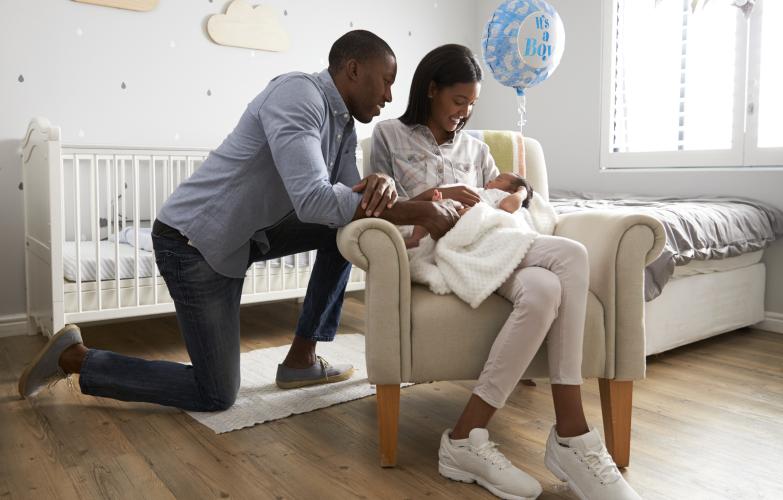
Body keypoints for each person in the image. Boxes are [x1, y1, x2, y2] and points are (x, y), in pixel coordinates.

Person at [18, 30, 460, 412]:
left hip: (242, 240)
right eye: (386, 82)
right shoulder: (298, 95)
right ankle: (75, 358)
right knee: (215, 394)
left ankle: (301, 359)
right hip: (192, 244)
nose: (388, 96)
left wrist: (399, 191)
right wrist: (416, 209)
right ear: (352, 69)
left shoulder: (343, 125)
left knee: (346, 231)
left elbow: (353, 205)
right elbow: (312, 201)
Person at [370, 44, 641, 500]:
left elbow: (506, 202)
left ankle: (465, 436)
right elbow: (383, 210)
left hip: (489, 245)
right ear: (431, 90)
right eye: (459, 101)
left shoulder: (477, 150)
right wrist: (439, 195)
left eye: (472, 104)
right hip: (438, 250)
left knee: (544, 290)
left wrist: (515, 193)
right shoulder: (389, 136)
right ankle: (572, 434)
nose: (465, 112)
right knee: (570, 256)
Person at [404, 172, 532, 248]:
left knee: (463, 211)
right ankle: (416, 238)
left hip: (472, 215)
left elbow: (509, 206)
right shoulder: (480, 191)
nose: (491, 180)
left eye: (498, 179)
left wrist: (522, 192)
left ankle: (443, 210)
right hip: (455, 208)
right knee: (430, 209)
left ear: (511, 191)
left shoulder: (502, 195)